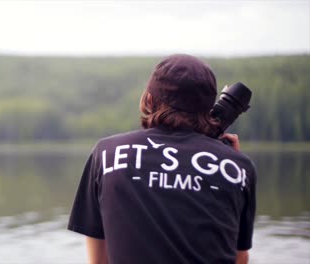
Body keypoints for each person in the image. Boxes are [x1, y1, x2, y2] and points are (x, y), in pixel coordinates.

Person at [67, 54, 256, 264]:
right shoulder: (238, 167)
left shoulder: (107, 153)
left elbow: (98, 261)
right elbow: (239, 258)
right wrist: (232, 164)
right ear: (208, 108)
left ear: (148, 98)